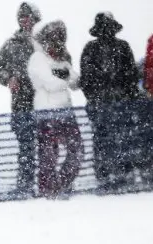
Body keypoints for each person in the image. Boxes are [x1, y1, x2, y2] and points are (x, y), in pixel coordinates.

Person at [79, 12, 141, 190]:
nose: (106, 32)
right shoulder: (90, 49)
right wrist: (96, 96)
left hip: (120, 102)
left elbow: (131, 75)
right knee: (103, 139)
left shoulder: (123, 47)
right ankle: (105, 175)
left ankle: (124, 173)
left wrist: (128, 96)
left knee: (122, 138)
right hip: (102, 103)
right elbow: (86, 79)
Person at [28, 21, 83, 197]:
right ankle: (47, 190)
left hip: (66, 111)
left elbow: (76, 82)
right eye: (53, 38)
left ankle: (59, 185)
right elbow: (50, 84)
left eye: (60, 38)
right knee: (49, 155)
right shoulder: (37, 58)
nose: (57, 42)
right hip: (47, 112)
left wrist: (65, 76)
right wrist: (64, 78)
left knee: (77, 151)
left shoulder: (62, 58)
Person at [0, 3, 42, 196]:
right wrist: (9, 78)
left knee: (49, 145)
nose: (25, 20)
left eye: (28, 16)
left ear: (35, 18)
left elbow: (62, 62)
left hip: (45, 101)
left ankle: (50, 183)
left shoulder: (46, 40)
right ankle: (25, 185)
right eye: (21, 17)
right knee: (26, 146)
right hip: (21, 102)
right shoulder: (11, 43)